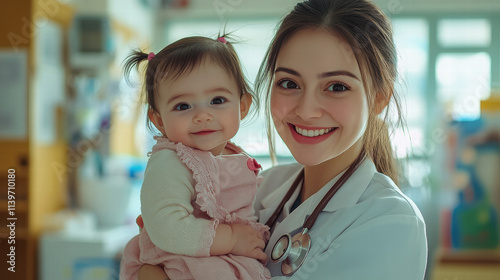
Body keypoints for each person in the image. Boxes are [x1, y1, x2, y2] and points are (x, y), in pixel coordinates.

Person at [137, 0, 428, 279]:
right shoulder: (259, 189)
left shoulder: (390, 223)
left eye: (337, 86)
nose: (306, 110)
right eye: (289, 83)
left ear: (379, 98)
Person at [119, 35, 271, 280]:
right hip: (184, 265)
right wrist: (231, 238)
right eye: (183, 106)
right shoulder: (170, 162)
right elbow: (168, 228)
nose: (202, 115)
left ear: (243, 106)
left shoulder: (234, 156)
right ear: (158, 120)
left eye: (217, 100)